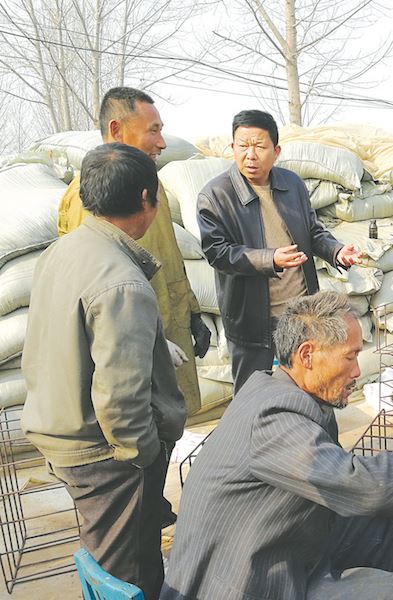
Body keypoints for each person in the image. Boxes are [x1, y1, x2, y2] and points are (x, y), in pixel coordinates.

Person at [160, 291, 393, 600]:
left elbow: (342, 480)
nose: (358, 371)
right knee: (392, 591)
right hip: (243, 585)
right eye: (350, 356)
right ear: (307, 355)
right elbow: (357, 483)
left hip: (273, 551)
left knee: (374, 517)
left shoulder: (289, 396)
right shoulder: (273, 418)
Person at [22, 144, 186, 599]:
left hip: (63, 431)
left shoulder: (64, 250)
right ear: (146, 199)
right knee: (124, 574)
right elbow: (121, 401)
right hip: (105, 456)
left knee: (114, 558)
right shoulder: (122, 282)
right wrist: (143, 457)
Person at [57, 87, 210, 421]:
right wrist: (149, 343)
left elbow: (168, 256)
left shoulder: (150, 184)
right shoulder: (91, 197)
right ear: (117, 130)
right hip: (134, 354)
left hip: (167, 331)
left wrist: (192, 313)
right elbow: (96, 294)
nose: (162, 142)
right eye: (153, 130)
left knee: (171, 427)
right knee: (142, 440)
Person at [197, 110, 362, 392]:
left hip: (300, 317)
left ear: (276, 151)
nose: (250, 155)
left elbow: (313, 231)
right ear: (232, 148)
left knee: (310, 390)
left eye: (259, 147)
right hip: (252, 320)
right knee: (253, 395)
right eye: (243, 145)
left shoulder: (292, 185)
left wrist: (336, 252)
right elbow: (218, 252)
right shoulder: (216, 195)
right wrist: (269, 259)